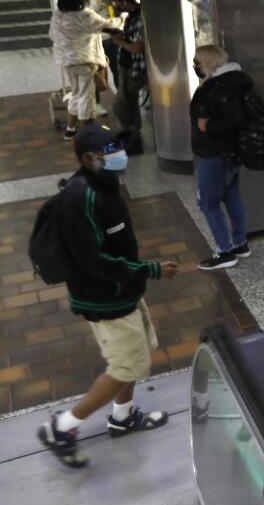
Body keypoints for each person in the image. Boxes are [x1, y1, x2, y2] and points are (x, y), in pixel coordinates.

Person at [36, 124, 180, 469]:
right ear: (88, 158)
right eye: (110, 148)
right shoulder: (79, 198)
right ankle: (61, 427)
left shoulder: (104, 183)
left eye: (118, 144)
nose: (120, 152)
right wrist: (151, 269)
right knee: (126, 365)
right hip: (105, 299)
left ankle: (123, 416)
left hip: (122, 292)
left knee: (138, 353)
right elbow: (93, 261)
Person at [189, 44, 252, 271]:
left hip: (214, 153)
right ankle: (240, 243)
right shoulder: (235, 81)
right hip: (232, 152)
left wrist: (208, 126)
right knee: (231, 195)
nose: (195, 65)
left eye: (197, 61)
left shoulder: (216, 88)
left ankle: (225, 251)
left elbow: (235, 119)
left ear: (208, 63)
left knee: (207, 202)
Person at [49, 0, 123, 140]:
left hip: (68, 62)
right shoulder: (85, 15)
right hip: (84, 61)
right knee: (86, 97)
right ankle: (88, 134)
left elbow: (52, 35)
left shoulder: (58, 16)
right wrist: (123, 17)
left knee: (76, 94)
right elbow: (107, 25)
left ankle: (70, 130)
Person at [104, 0, 148, 155]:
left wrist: (119, 42)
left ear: (123, 1)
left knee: (120, 107)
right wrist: (122, 36)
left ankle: (132, 137)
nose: (115, 5)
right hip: (127, 67)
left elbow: (138, 47)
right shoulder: (132, 15)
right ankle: (133, 139)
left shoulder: (138, 18)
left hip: (134, 69)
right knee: (130, 105)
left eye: (116, 2)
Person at [68, 0, 112, 118]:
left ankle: (116, 99)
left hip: (106, 37)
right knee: (93, 75)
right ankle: (95, 105)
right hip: (89, 43)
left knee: (105, 72)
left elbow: (108, 0)